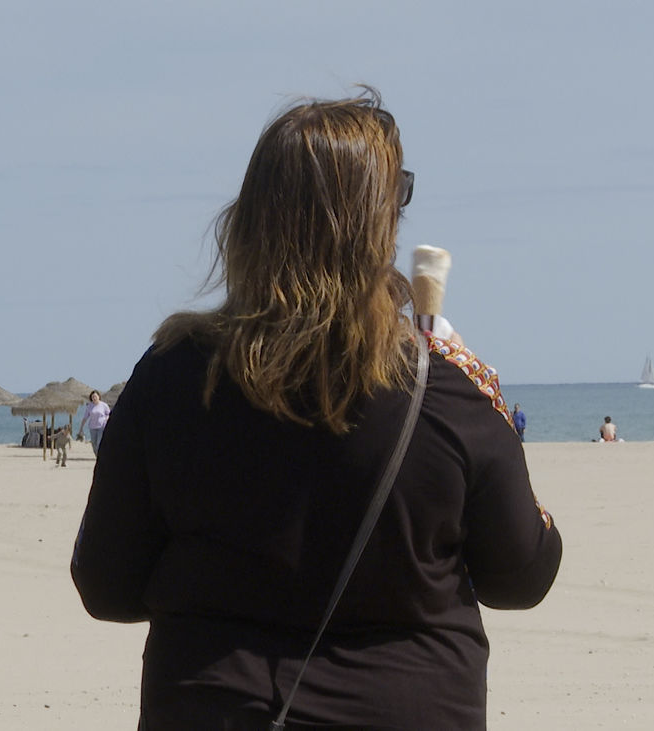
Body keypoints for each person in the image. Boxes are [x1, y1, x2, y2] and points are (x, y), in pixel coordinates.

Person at [71, 89, 562, 730]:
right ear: (376, 222)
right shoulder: (444, 389)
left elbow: (105, 584)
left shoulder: (170, 375)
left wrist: (216, 587)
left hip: (215, 703)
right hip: (407, 704)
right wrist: (477, 385)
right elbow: (519, 575)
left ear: (249, 219)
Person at [77, 390, 111, 455]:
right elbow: (85, 417)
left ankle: (100, 457)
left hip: (101, 427)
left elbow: (109, 414)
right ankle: (97, 456)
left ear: (99, 396)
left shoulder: (104, 405)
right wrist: (81, 428)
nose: (94, 398)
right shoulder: (89, 406)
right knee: (94, 444)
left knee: (99, 443)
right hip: (92, 428)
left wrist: (106, 418)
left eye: (95, 396)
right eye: (93, 397)